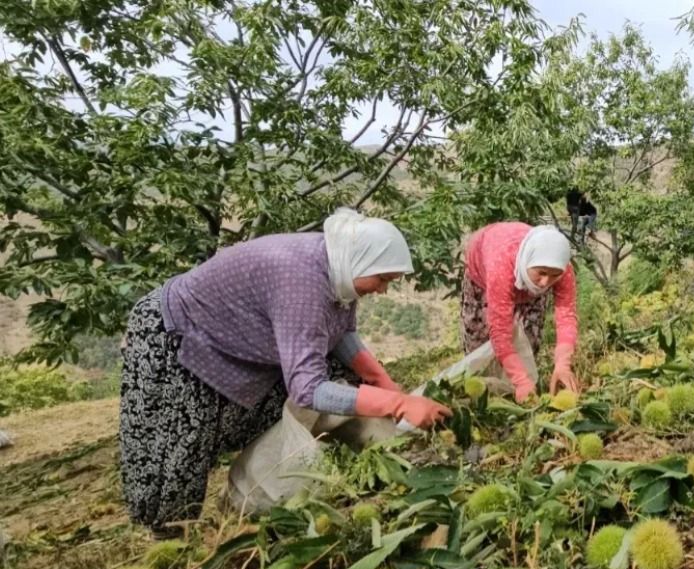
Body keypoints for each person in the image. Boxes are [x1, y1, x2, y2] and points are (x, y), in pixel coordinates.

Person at [119, 208, 451, 534]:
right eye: (382, 279)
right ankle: (169, 539)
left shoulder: (338, 264)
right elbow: (308, 390)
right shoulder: (302, 284)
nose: (383, 290)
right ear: (361, 261)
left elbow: (339, 333)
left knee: (350, 381)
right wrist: (398, 404)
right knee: (181, 445)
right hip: (180, 333)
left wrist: (381, 381)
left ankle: (330, 461)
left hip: (234, 332)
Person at [461, 222, 578, 402]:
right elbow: (499, 332)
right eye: (542, 272)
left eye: (554, 275)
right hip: (485, 276)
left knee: (529, 341)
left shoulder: (562, 270)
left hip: (522, 279)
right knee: (481, 346)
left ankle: (523, 391)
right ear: (529, 261)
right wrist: (520, 380)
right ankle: (487, 397)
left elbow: (566, 317)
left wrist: (563, 364)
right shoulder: (501, 265)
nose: (545, 282)